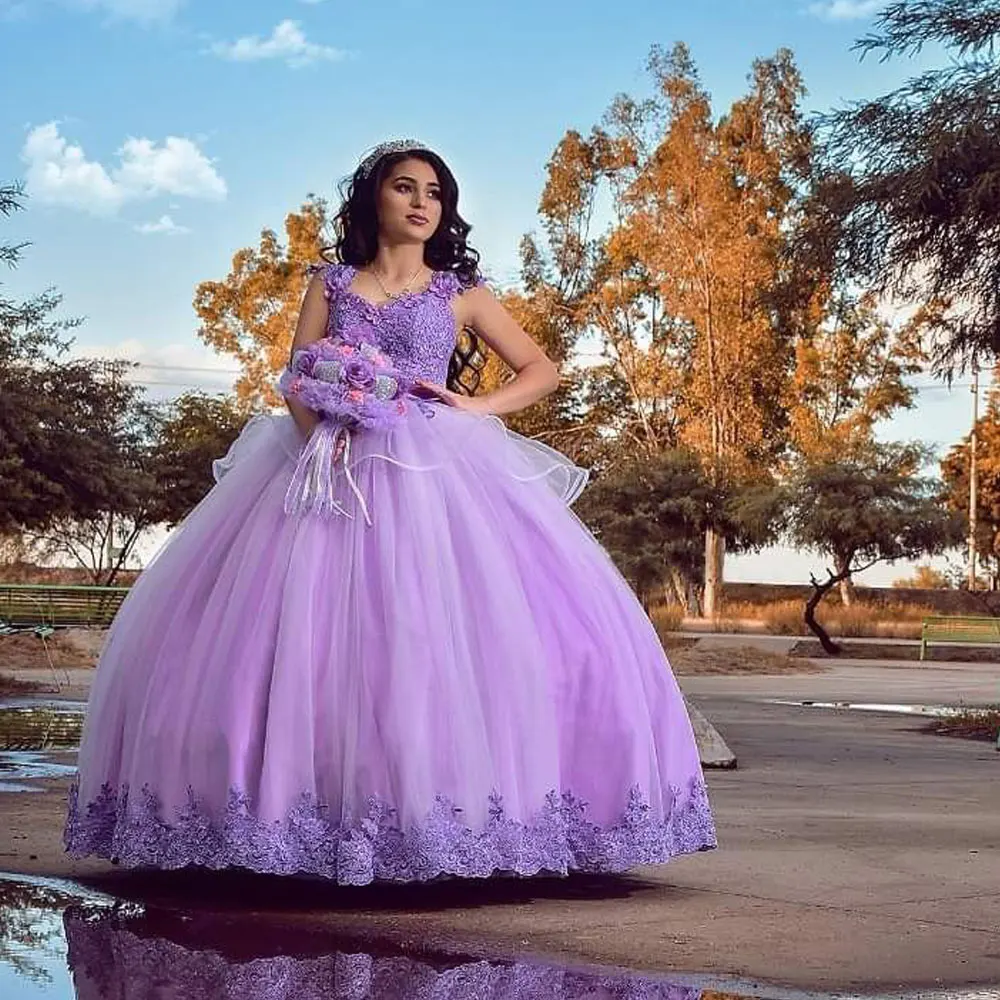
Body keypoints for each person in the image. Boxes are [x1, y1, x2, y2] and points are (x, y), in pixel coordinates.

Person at [64, 139, 716, 884]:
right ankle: (280, 818)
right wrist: (321, 446)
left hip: (433, 469)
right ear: (373, 197)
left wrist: (476, 406)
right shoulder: (332, 282)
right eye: (404, 187)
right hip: (325, 461)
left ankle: (452, 819)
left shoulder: (460, 291)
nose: (420, 202)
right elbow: (295, 377)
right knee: (296, 639)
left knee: (439, 633)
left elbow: (542, 368)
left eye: (433, 192)